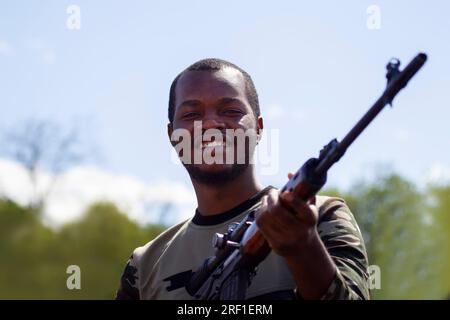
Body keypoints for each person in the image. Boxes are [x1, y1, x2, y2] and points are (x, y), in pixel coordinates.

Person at [115, 58, 370, 300]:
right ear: (172, 134)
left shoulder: (321, 216)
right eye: (192, 114)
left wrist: (303, 248)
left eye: (231, 111)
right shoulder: (145, 266)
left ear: (258, 129)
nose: (212, 123)